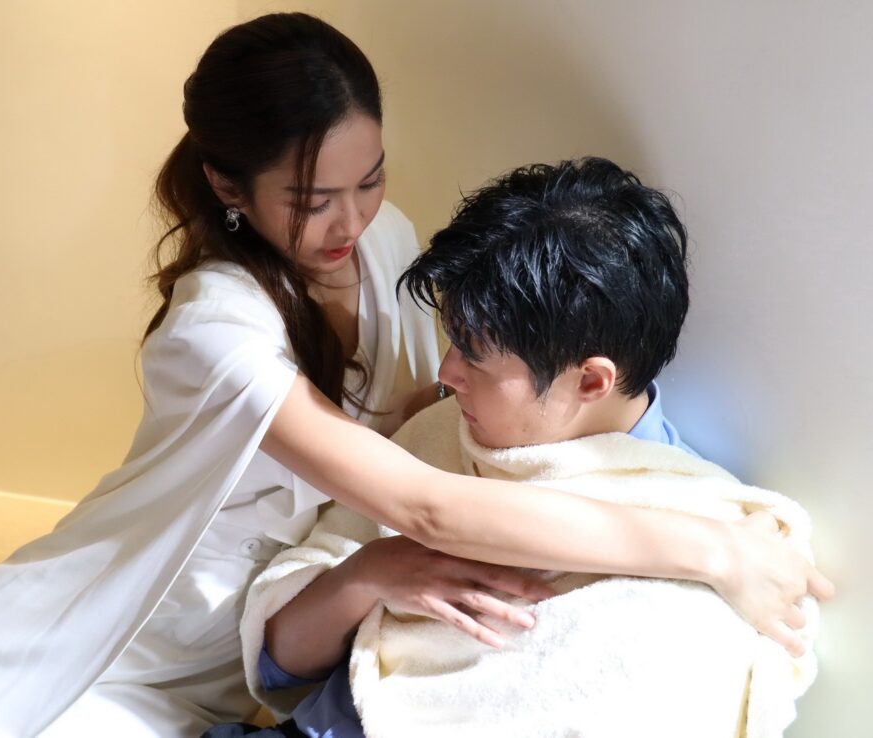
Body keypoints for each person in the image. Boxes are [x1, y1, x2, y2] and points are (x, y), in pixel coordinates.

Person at [0, 14, 831, 738]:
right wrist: (718, 552)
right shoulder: (214, 326)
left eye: (369, 178)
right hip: (137, 623)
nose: (351, 222)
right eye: (312, 199)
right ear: (228, 187)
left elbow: (421, 425)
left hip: (266, 638)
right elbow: (425, 504)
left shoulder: (386, 242)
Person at [223, 159, 822, 738]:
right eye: (452, 340)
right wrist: (366, 576)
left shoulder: (707, 526)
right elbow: (281, 661)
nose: (445, 373)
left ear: (591, 381)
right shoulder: (439, 435)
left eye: (475, 357)